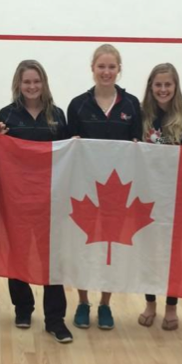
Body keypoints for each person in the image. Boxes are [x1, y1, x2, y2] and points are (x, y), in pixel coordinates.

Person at [0, 60, 73, 343]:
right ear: (19, 84)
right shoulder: (6, 115)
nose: (32, 87)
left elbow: (68, 154)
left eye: (36, 81)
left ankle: (55, 319)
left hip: (51, 201)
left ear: (44, 83)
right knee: (18, 251)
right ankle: (23, 308)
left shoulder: (57, 114)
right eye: (27, 82)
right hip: (17, 200)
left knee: (52, 258)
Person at [67, 44, 142, 331]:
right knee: (85, 249)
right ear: (93, 69)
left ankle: (105, 304)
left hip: (118, 194)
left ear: (118, 69)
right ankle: (84, 302)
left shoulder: (132, 104)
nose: (106, 72)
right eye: (101, 66)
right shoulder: (78, 105)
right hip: (86, 191)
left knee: (111, 249)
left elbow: (140, 145)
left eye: (112, 67)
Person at [137, 63, 182, 331]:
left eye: (168, 84)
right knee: (150, 253)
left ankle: (171, 306)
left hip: (180, 198)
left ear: (175, 87)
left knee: (175, 254)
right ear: (151, 87)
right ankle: (150, 303)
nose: (163, 89)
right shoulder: (140, 115)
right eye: (158, 85)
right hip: (147, 197)